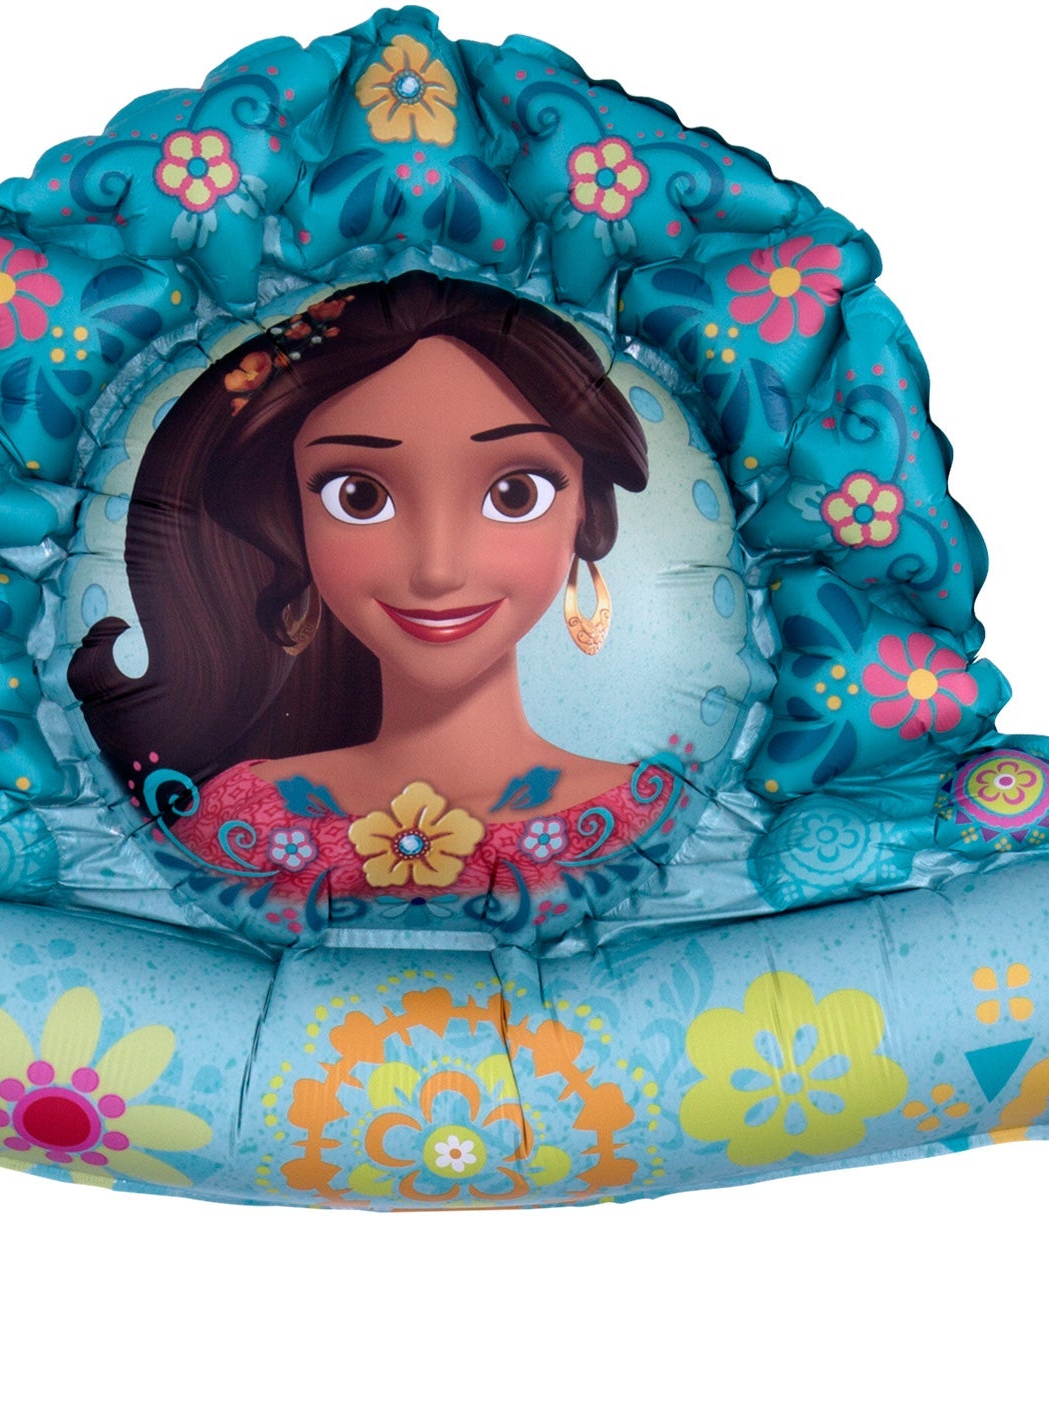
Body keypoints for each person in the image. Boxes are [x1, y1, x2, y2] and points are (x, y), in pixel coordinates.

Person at [72, 272, 674, 935]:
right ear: (291, 525)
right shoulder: (236, 823)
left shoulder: (653, 818)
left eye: (515, 494)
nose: (438, 570)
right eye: (358, 497)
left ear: (587, 512)